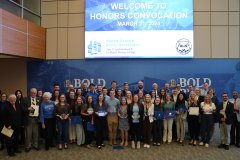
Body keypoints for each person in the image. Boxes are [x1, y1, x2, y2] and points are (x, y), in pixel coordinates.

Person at [23, 88, 41, 152]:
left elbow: (41, 109)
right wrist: (27, 109)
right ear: (29, 92)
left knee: (36, 133)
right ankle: (28, 146)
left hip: (36, 119)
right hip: (28, 119)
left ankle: (35, 145)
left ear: (36, 93)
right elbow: (22, 109)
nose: (33, 94)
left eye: (34, 93)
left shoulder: (39, 99)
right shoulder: (25, 99)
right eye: (32, 92)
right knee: (28, 133)